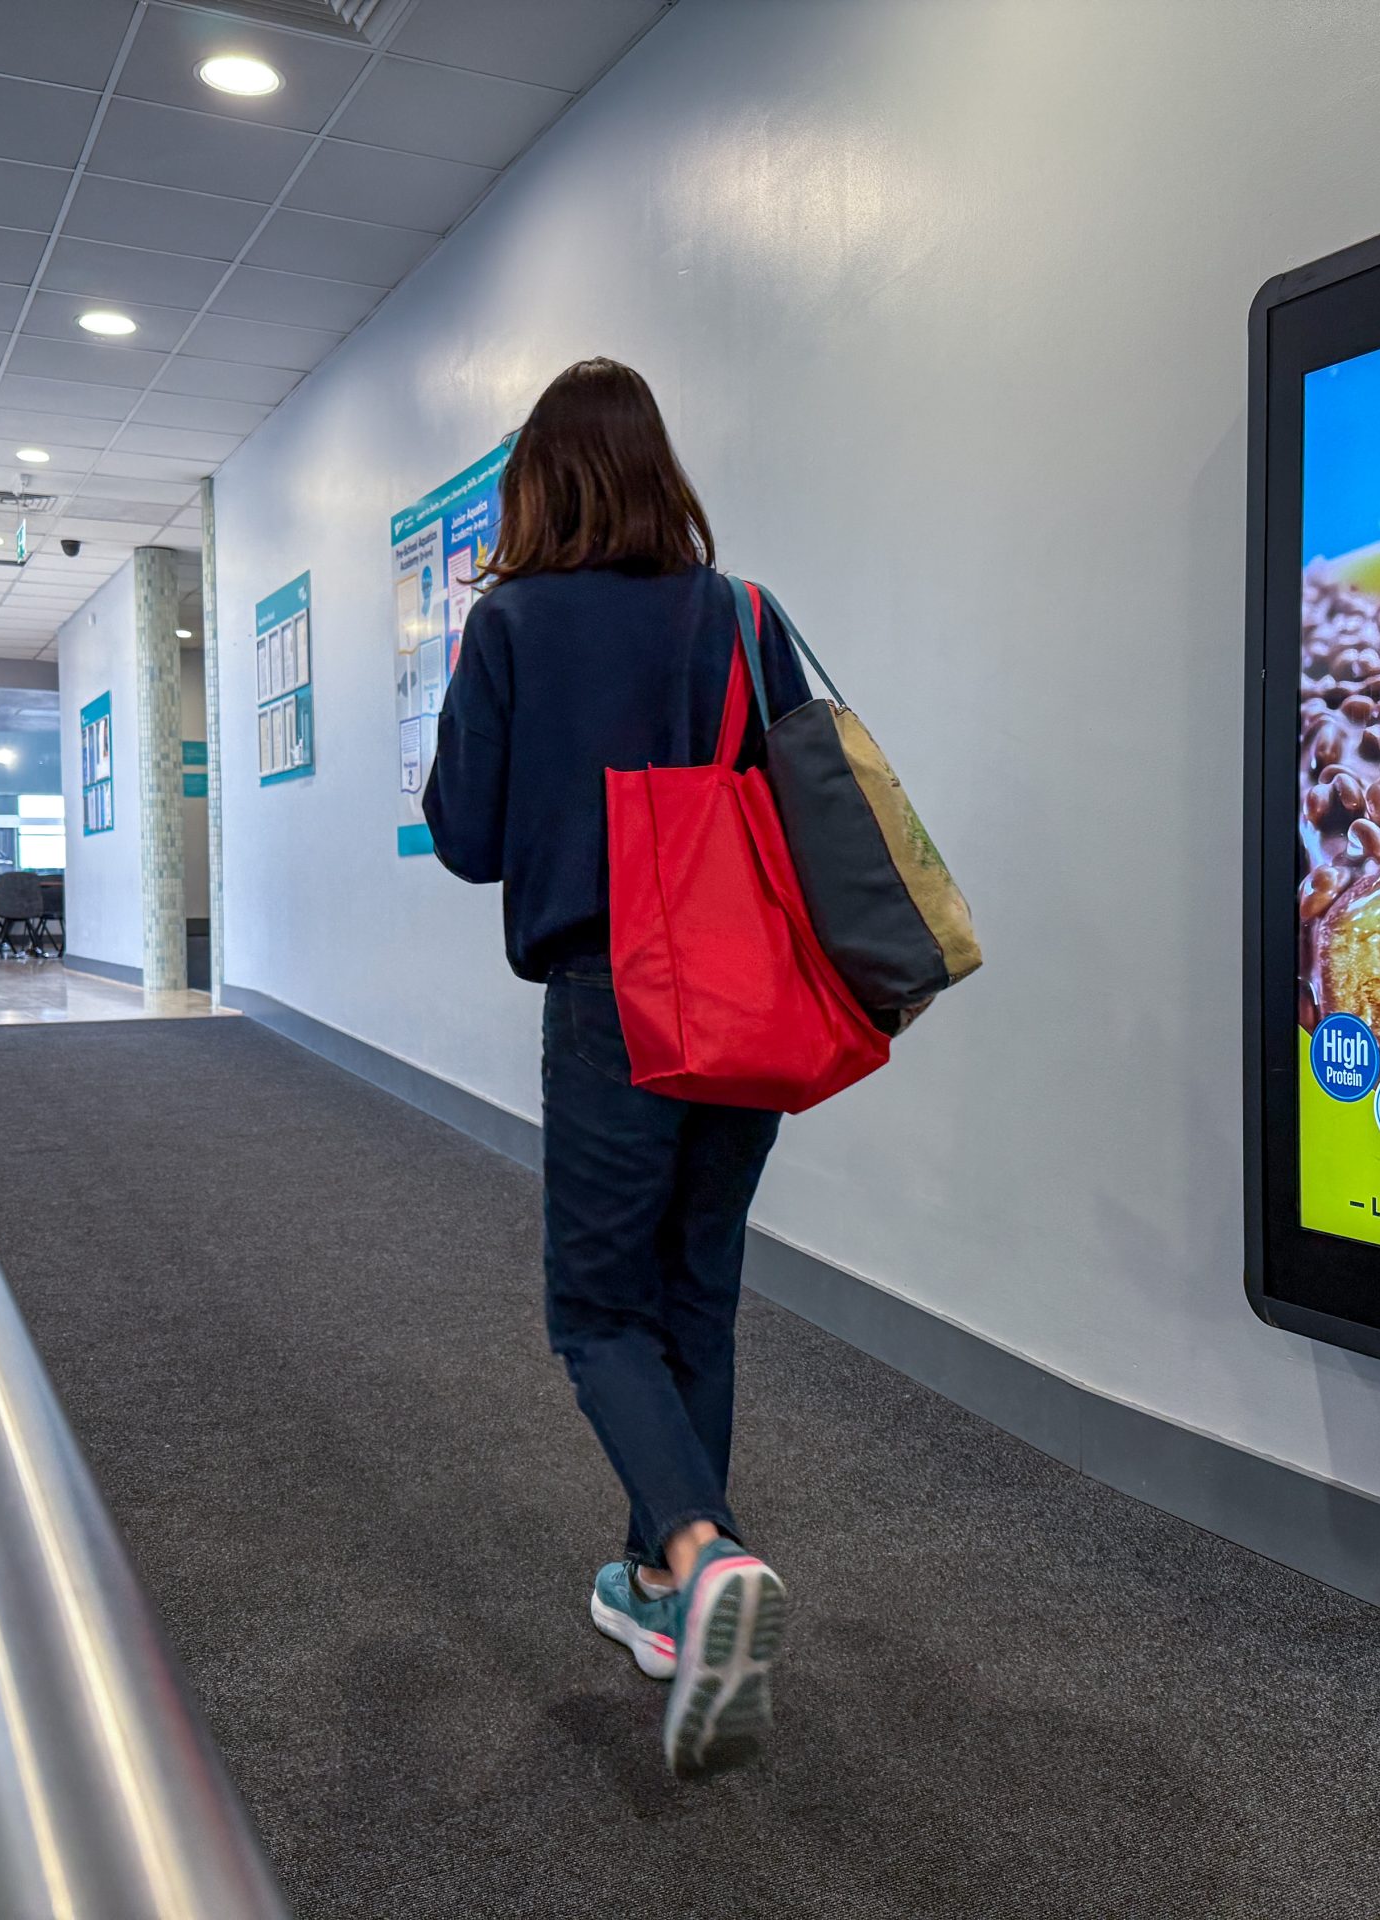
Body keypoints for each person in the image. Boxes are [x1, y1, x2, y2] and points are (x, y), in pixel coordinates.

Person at [424, 359, 817, 1780]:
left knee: (597, 1311)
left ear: (539, 483)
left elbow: (466, 833)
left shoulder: (511, 621)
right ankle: (660, 1587)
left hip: (614, 1000)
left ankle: (706, 1553)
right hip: (750, 1000)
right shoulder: (742, 615)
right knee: (692, 1289)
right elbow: (811, 802)